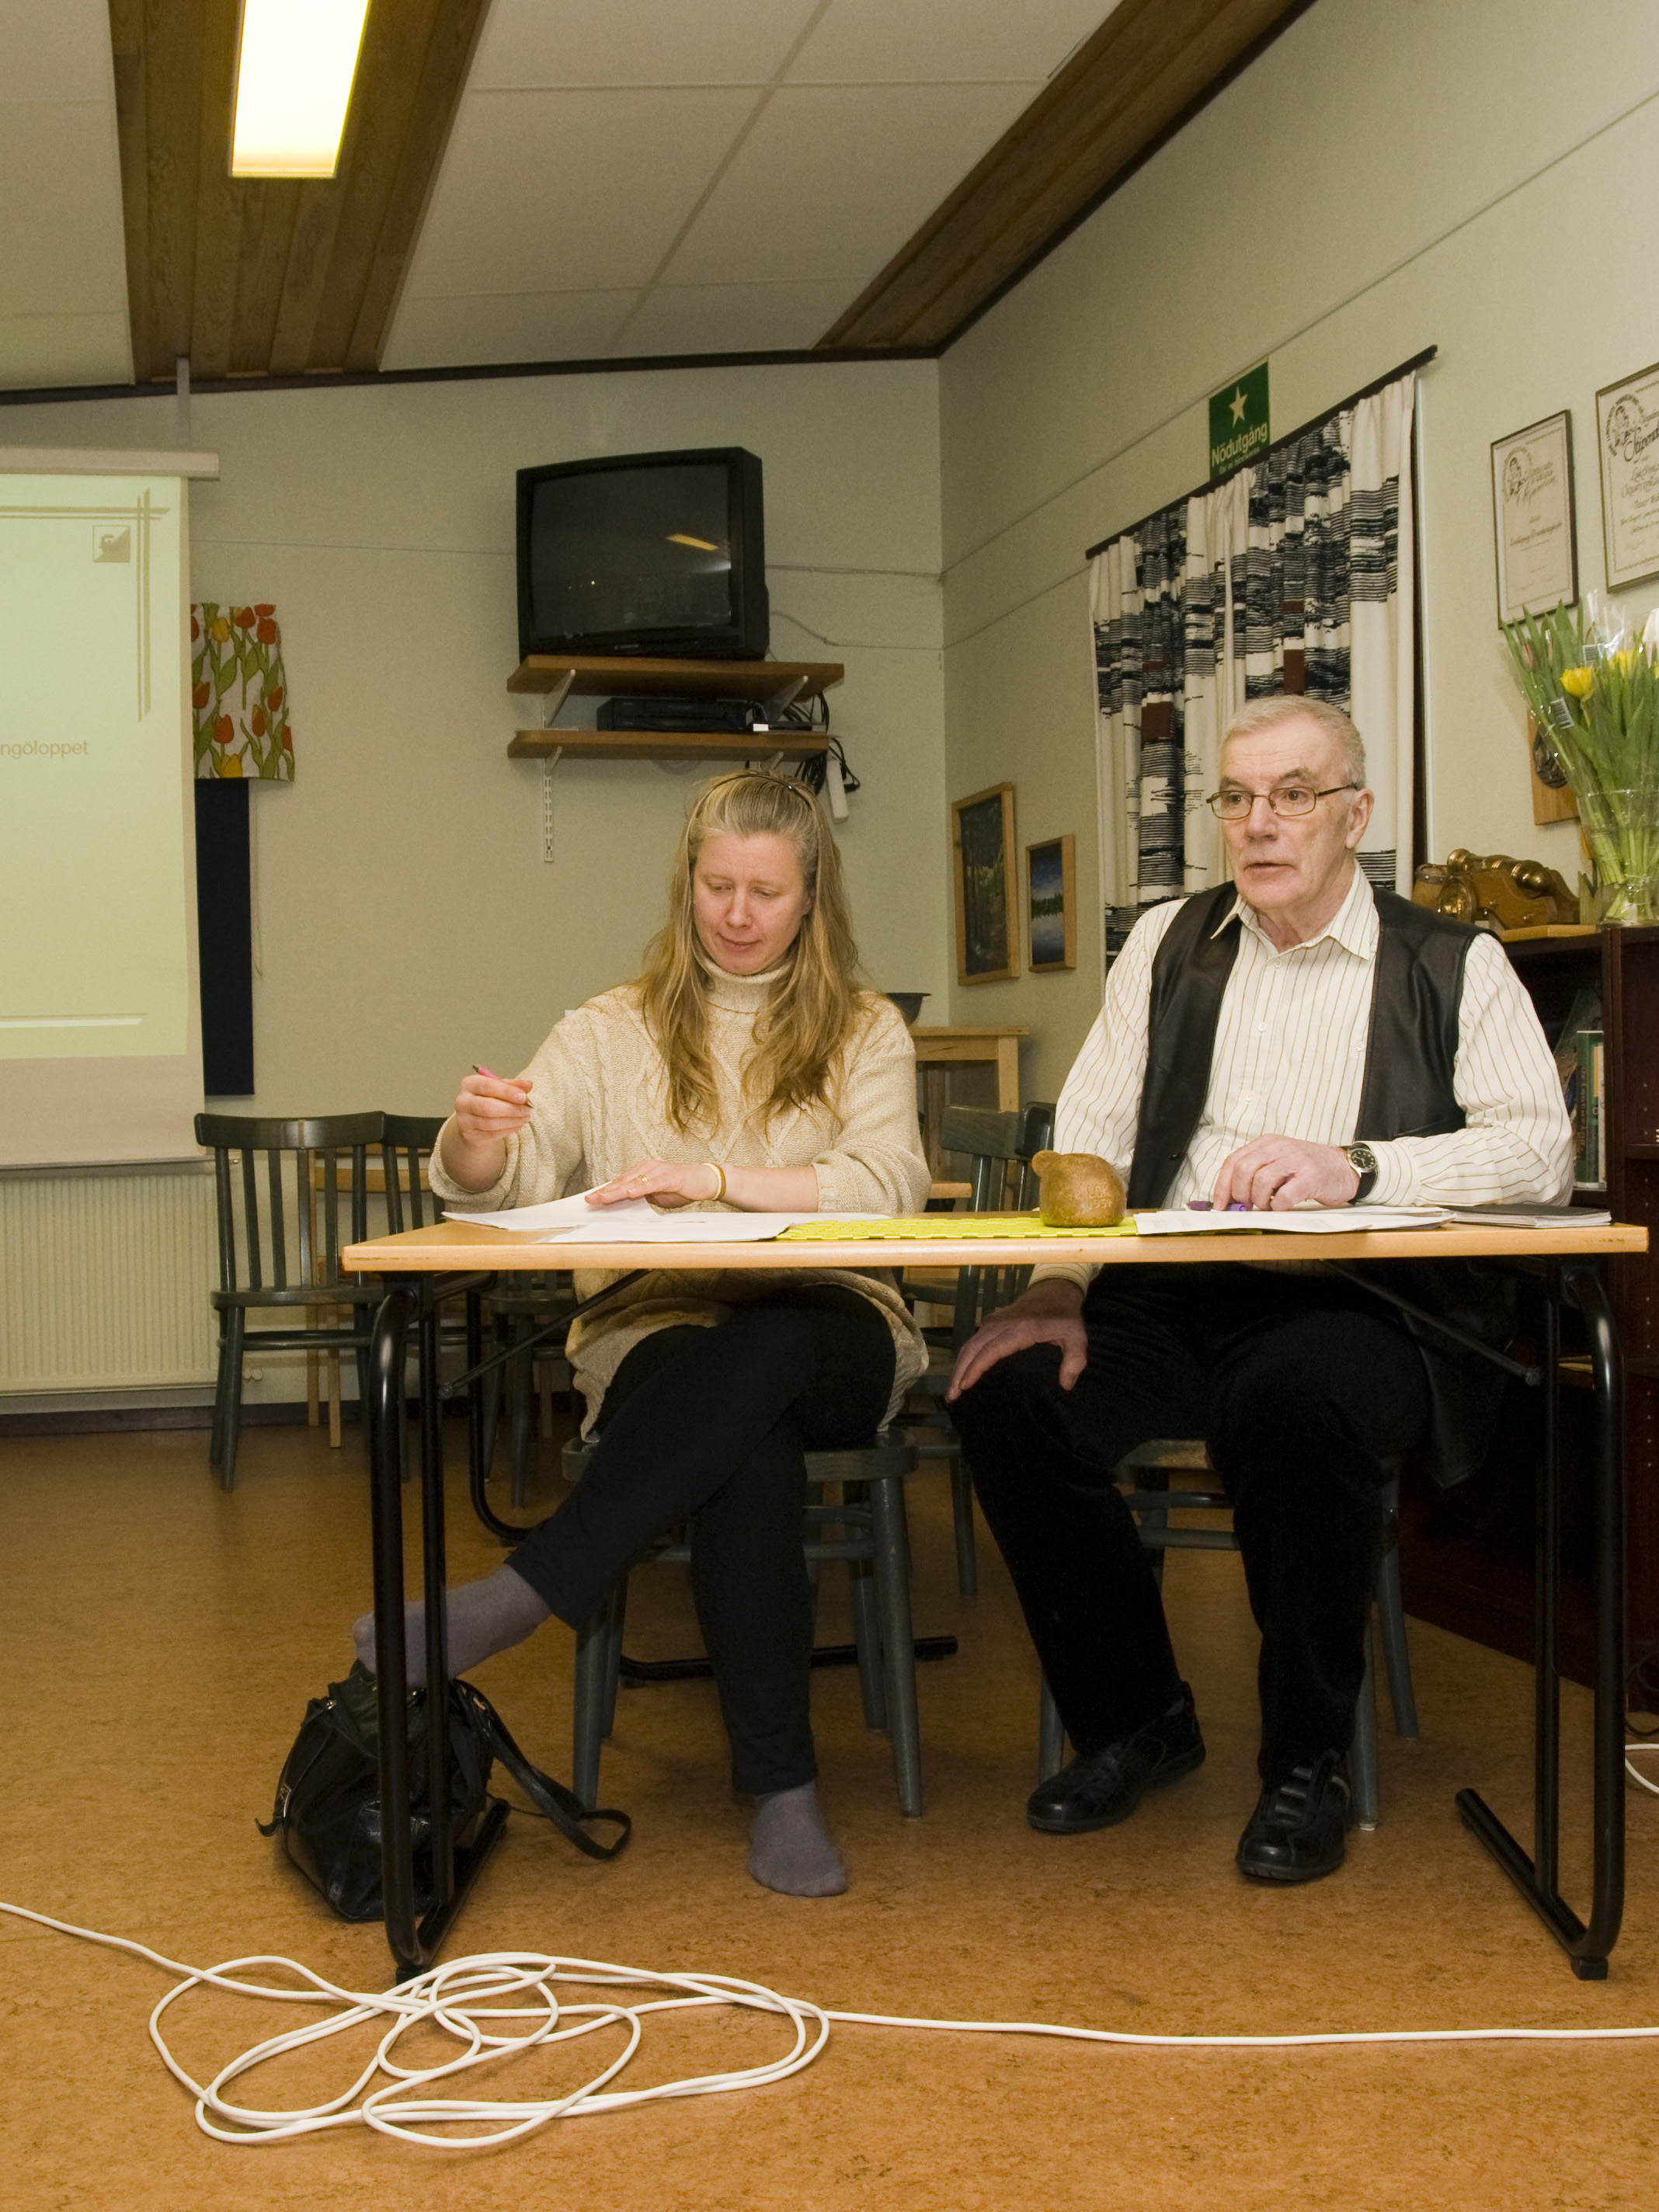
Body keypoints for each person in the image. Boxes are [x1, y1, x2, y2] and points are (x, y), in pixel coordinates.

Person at [947, 695, 1572, 1885]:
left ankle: (1305, 1762)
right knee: (1007, 1392)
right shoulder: (1168, 944)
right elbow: (1091, 1133)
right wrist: (1057, 1284)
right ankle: (1138, 1718)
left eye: (1293, 795)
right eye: (1236, 798)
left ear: (1356, 814)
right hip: (1171, 1288)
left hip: (1358, 1299)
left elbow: (1539, 1151)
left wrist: (1361, 1167)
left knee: (1295, 1401)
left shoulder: (1452, 962)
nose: (1260, 822)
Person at [354, 770, 930, 1897]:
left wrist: (716, 1179)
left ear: (813, 898)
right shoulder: (604, 1030)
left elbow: (888, 1183)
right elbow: (496, 1185)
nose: (737, 914)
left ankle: (526, 1592)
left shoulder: (867, 1030)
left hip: (836, 1324)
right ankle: (783, 1790)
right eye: (717, 885)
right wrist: (475, 1137)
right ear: (686, 883)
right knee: (745, 1436)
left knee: (769, 1348)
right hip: (654, 1320)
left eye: (766, 892)